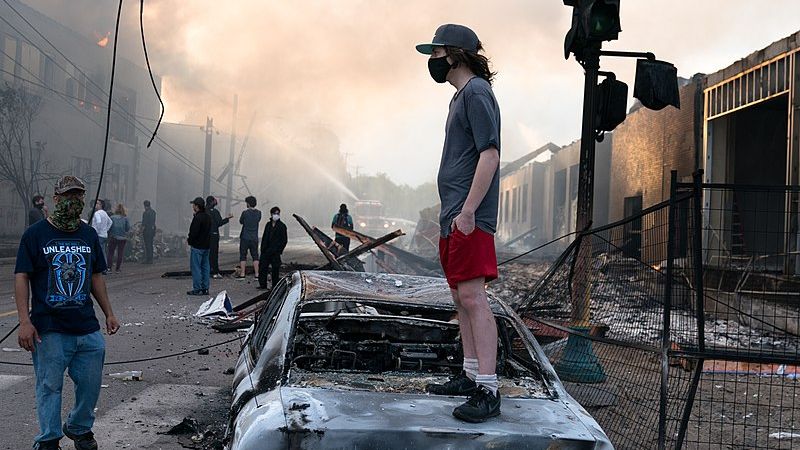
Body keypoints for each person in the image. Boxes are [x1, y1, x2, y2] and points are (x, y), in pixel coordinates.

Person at [417, 24, 502, 423]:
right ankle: (470, 376)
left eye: (435, 53)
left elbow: (490, 155)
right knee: (460, 299)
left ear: (454, 54)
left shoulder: (478, 93)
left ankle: (488, 388)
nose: (432, 61)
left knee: (473, 298)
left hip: (470, 218)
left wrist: (468, 211)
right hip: (454, 217)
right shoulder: (459, 98)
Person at [14, 175, 120, 450]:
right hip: (49, 329)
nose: (74, 201)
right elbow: (22, 276)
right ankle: (49, 438)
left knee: (90, 384)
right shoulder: (35, 234)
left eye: (78, 196)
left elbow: (96, 275)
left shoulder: (88, 234)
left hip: (86, 326)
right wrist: (24, 321)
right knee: (49, 387)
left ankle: (79, 428)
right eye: (68, 196)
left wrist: (108, 312)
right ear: (56, 199)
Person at [258, 206, 287, 290]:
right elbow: (264, 237)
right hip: (266, 250)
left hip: (275, 252)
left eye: (278, 214)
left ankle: (275, 286)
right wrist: (262, 249)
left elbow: (284, 240)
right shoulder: (268, 225)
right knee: (263, 268)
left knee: (275, 269)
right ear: (271, 214)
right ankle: (262, 285)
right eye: (275, 213)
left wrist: (279, 250)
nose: (276, 215)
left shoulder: (282, 226)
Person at [187, 197, 212, 295]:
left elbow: (194, 232)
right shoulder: (208, 216)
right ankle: (205, 288)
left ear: (197, 206)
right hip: (206, 246)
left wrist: (190, 241)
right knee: (205, 267)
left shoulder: (198, 218)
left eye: (193, 205)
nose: (192, 206)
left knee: (196, 268)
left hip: (197, 246)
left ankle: (197, 288)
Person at [207, 195, 233, 278]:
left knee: (205, 253)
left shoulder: (204, 211)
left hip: (205, 236)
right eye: (215, 200)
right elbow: (219, 223)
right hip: (214, 235)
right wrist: (227, 218)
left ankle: (206, 270)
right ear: (212, 202)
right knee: (214, 254)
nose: (216, 201)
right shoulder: (215, 212)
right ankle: (215, 271)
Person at [238, 195, 261, 279]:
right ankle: (257, 274)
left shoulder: (245, 213)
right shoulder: (259, 213)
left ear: (248, 203)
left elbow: (241, 221)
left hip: (245, 237)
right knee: (255, 256)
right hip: (254, 237)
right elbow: (258, 220)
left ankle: (242, 274)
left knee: (243, 255)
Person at [106, 203, 130, 273]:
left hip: (113, 237)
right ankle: (118, 269)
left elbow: (109, 227)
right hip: (122, 238)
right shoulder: (125, 218)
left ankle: (109, 268)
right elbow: (127, 228)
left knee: (110, 252)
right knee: (120, 253)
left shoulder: (112, 217)